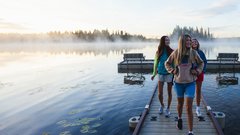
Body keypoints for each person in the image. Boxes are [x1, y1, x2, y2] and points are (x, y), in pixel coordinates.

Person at [165, 34, 204, 135]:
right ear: (182, 41)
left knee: (188, 107)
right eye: (187, 40)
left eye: (190, 40)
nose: (189, 42)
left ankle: (190, 131)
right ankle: (179, 118)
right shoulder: (176, 53)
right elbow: (167, 63)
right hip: (178, 83)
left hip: (190, 83)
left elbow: (201, 63)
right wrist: (172, 70)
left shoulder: (194, 52)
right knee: (180, 104)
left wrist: (198, 71)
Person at [151, 36, 174, 117]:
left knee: (169, 92)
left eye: (168, 40)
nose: (168, 41)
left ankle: (167, 108)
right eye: (166, 40)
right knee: (160, 93)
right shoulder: (158, 51)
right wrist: (154, 74)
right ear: (162, 41)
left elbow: (174, 63)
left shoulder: (172, 51)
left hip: (169, 74)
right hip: (160, 73)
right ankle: (162, 105)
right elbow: (155, 63)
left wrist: (174, 72)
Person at [191, 39, 207, 117]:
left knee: (198, 91)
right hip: (190, 74)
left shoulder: (201, 52)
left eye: (196, 42)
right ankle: (189, 104)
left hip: (199, 74)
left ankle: (198, 107)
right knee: (190, 90)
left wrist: (202, 71)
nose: (194, 43)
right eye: (193, 42)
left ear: (198, 43)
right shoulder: (188, 52)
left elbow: (205, 62)